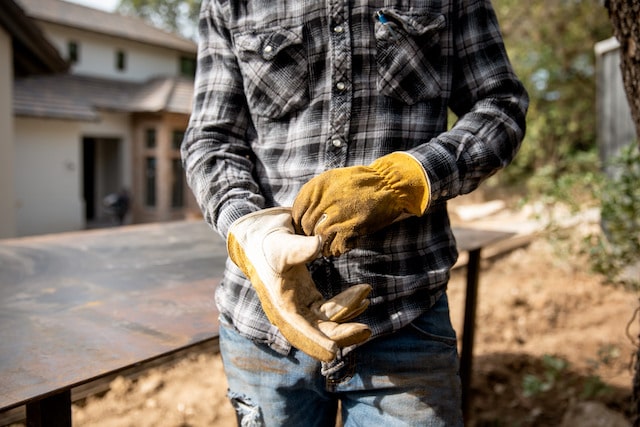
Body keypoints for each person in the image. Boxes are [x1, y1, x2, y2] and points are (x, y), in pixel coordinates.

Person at [182, 0, 528, 425]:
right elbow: (211, 141)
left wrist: (403, 180)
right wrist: (254, 235)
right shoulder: (229, 4)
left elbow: (501, 106)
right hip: (262, 328)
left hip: (403, 317)